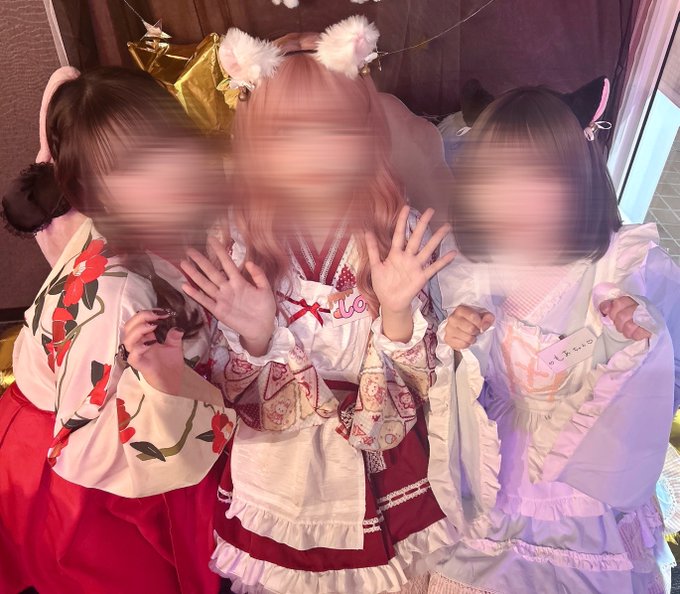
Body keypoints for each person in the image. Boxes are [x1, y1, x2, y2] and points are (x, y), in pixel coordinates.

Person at [176, 16, 454, 594]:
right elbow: (226, 387)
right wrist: (256, 335)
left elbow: (422, 381)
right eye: (288, 134)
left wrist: (397, 311)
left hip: (378, 453)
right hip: (278, 465)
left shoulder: (392, 231)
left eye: (334, 130)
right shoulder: (235, 239)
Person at [426, 83, 680, 593]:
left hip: (582, 475)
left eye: (539, 179)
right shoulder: (469, 267)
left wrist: (638, 336)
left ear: (578, 178)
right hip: (488, 461)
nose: (517, 202)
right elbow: (450, 371)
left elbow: (666, 377)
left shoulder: (624, 267)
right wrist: (455, 341)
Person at [0, 66, 233, 594]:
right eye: (131, 168)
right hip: (80, 465)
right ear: (91, 190)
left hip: (70, 408)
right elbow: (84, 443)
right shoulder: (117, 293)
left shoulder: (122, 224)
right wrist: (171, 389)